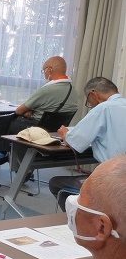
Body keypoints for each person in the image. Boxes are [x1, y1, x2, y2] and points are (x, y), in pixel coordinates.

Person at [49, 77, 126, 210]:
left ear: (94, 94)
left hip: (114, 181)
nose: (91, 105)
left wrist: (64, 133)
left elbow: (74, 142)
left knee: (55, 183)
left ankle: (79, 220)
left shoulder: (103, 108)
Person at [9, 56, 78, 134]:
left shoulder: (47, 90)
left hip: (36, 130)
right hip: (56, 132)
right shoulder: (73, 90)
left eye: (44, 71)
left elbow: (19, 111)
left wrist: (30, 112)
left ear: (49, 70)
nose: (44, 74)